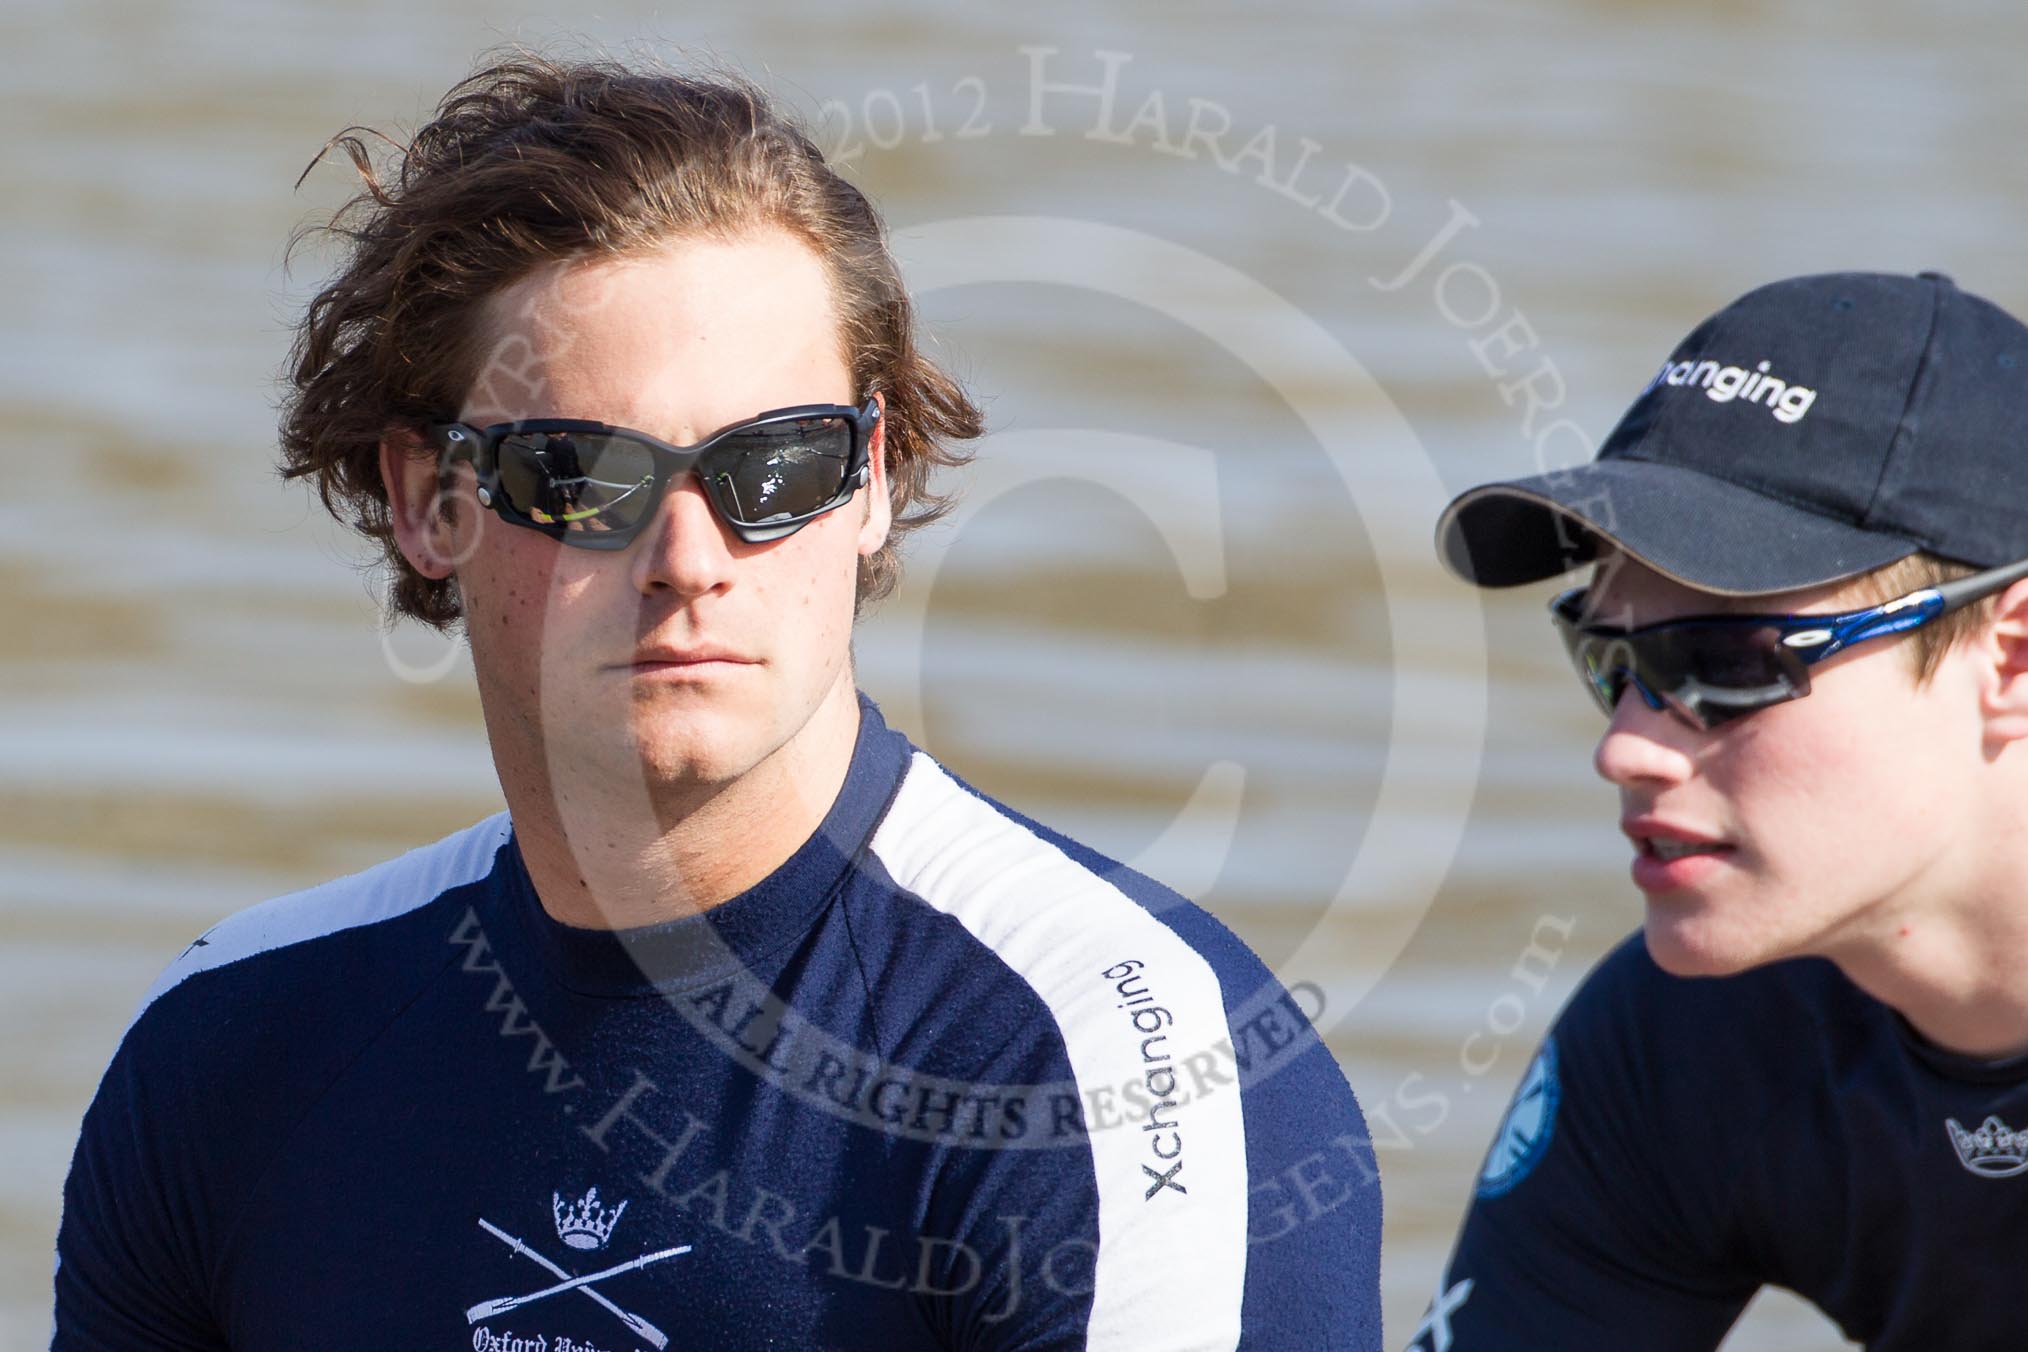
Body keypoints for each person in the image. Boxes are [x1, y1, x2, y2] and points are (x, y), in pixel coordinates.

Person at [50, 52, 1381, 1352]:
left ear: (872, 480)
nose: (688, 560)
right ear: (427, 500)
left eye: (776, 465)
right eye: (581, 473)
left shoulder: (1119, 1069)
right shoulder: (228, 1043)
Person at [1417, 269, 2028, 1350]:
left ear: (2012, 658)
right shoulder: (1680, 1044)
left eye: (1728, 662)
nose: (1624, 746)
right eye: (1608, 659)